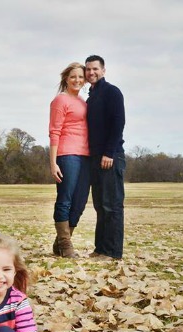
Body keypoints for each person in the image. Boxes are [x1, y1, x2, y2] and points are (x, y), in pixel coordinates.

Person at [85, 55, 126, 260]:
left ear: (103, 70)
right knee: (100, 205)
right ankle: (100, 248)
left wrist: (109, 152)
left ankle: (112, 252)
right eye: (88, 69)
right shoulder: (91, 97)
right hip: (94, 158)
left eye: (95, 69)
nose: (91, 73)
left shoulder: (112, 92)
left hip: (111, 156)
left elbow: (118, 123)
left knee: (112, 205)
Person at [49, 62, 90, 258]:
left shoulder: (83, 101)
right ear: (66, 78)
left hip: (86, 155)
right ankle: (66, 245)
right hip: (67, 154)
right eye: (73, 76)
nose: (77, 80)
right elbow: (54, 131)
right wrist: (53, 161)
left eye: (81, 77)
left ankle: (60, 243)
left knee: (80, 201)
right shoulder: (60, 100)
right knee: (65, 199)